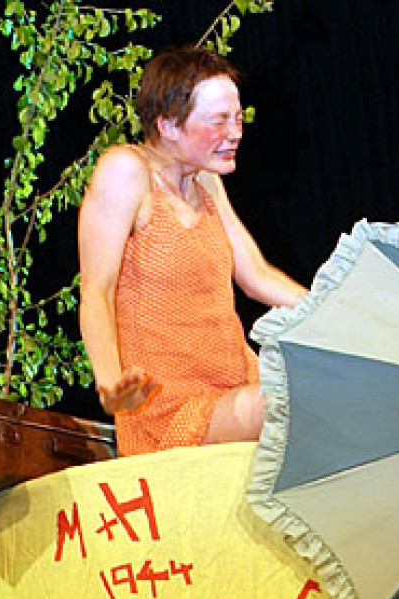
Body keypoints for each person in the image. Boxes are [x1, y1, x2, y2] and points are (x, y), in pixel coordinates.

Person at [78, 47, 306, 456]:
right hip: (167, 410)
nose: (235, 133)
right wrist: (110, 383)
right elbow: (97, 289)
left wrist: (336, 312)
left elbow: (256, 275)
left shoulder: (207, 182)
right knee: (290, 403)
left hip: (236, 387)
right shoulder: (126, 171)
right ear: (167, 124)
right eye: (219, 121)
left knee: (328, 388)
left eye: (237, 118)